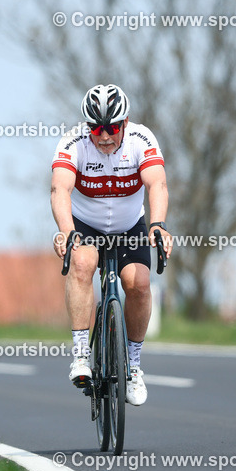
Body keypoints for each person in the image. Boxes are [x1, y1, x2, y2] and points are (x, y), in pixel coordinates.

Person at [51, 84, 172, 406]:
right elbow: (59, 190)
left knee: (138, 283)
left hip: (129, 224)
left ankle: (133, 366)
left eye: (111, 128)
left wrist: (158, 224)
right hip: (86, 225)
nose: (104, 136)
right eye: (96, 129)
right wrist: (66, 231)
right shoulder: (73, 143)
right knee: (82, 265)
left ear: (125, 122)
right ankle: (80, 356)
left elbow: (157, 183)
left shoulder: (141, 139)